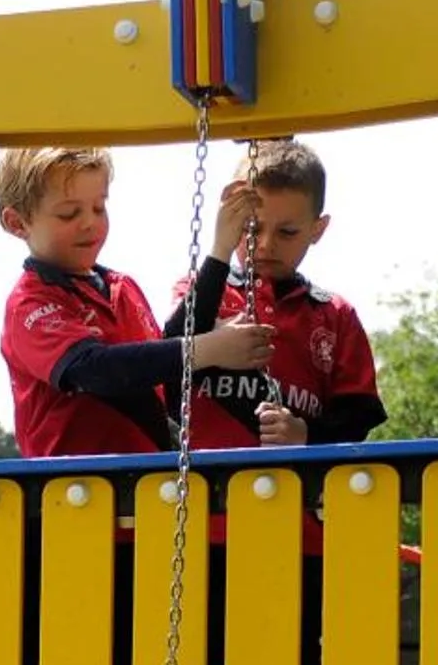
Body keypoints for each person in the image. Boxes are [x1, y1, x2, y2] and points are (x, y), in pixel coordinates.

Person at [0, 144, 273, 457]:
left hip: (147, 483)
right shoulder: (29, 303)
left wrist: (221, 249)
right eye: (69, 213)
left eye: (99, 207)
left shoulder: (121, 288)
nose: (90, 223)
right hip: (74, 491)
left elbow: (167, 358)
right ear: (18, 223)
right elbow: (95, 370)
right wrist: (208, 347)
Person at [165, 138, 387, 450]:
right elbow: (169, 352)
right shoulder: (199, 289)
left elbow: (358, 414)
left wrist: (307, 434)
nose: (266, 244)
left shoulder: (336, 314)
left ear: (317, 230)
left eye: (287, 232)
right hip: (202, 486)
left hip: (294, 490)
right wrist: (220, 250)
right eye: (252, 229)